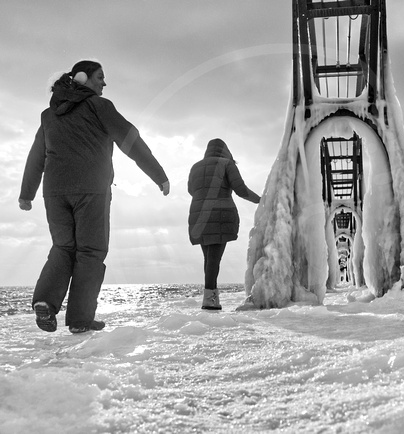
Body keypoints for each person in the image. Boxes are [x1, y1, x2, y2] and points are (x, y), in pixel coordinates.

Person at [19, 60, 170, 334]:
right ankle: (79, 320)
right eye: (100, 77)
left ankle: (45, 301)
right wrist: (158, 174)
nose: (104, 83)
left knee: (63, 248)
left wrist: (26, 193)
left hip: (54, 193)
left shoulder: (49, 115)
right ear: (82, 78)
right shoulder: (100, 106)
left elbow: (36, 156)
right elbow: (130, 140)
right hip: (91, 189)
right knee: (90, 251)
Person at [188, 138, 261, 310]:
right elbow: (241, 190)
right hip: (220, 215)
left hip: (198, 217)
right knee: (214, 258)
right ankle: (209, 300)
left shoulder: (195, 167)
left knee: (209, 258)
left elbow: (191, 190)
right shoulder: (226, 164)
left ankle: (211, 297)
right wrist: (261, 200)